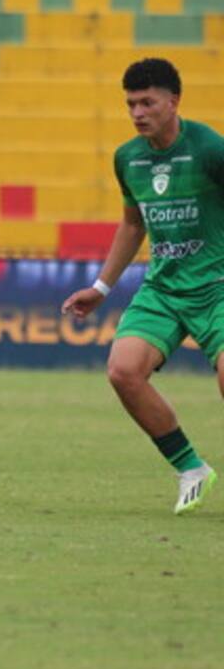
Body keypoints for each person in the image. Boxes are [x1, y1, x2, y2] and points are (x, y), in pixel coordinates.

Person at [62, 57, 220, 515]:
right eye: (131, 104)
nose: (137, 112)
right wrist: (101, 287)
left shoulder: (210, 149)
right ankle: (191, 469)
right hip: (163, 289)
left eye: (147, 102)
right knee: (123, 371)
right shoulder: (128, 158)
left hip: (217, 285)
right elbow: (133, 224)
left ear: (174, 101)